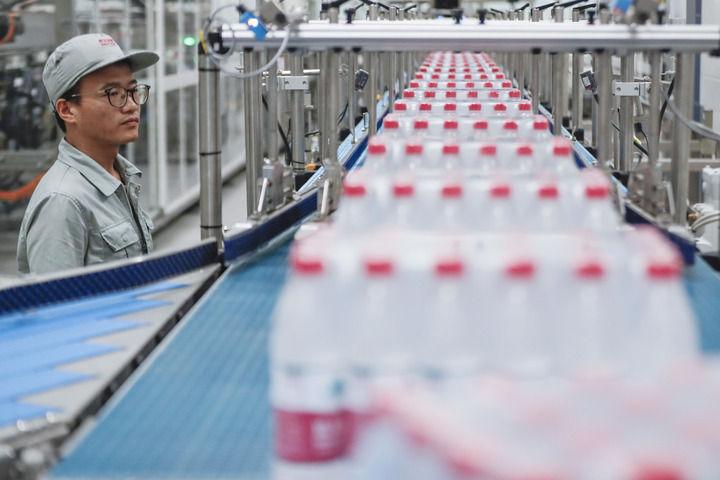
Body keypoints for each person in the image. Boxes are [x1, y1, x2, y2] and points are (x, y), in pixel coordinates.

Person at [17, 33, 159, 274]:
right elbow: (56, 298)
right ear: (67, 110)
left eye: (132, 90)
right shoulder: (62, 202)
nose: (132, 105)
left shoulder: (119, 176)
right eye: (112, 93)